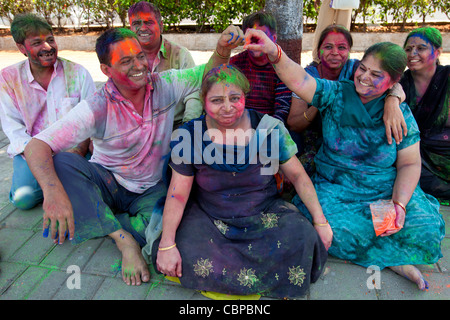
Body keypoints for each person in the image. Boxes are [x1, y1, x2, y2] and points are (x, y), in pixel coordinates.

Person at [23, 25, 245, 286]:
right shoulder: (97, 107)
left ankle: (97, 218)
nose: (139, 65)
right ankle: (122, 239)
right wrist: (53, 194)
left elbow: (208, 75)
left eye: (140, 56)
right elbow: (36, 146)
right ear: (106, 70)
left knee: (165, 230)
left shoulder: (165, 85)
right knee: (63, 163)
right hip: (107, 181)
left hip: (151, 189)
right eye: (126, 61)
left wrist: (222, 49)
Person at [244, 29, 445, 291]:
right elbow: (301, 81)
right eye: (363, 68)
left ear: (394, 82)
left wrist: (399, 204)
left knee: (424, 227)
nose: (364, 78)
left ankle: (388, 252)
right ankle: (396, 260)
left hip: (382, 189)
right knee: (330, 224)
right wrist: (274, 52)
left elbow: (409, 164)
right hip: (337, 190)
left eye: (376, 75)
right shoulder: (336, 93)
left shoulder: (400, 113)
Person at [148, 64, 331, 299]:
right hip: (210, 216)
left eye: (235, 98)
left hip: (263, 214)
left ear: (245, 96)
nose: (227, 108)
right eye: (216, 100)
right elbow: (178, 193)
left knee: (303, 237)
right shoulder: (190, 136)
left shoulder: (269, 129)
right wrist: (167, 243)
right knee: (183, 247)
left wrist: (320, 221)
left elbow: (298, 176)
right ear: (204, 101)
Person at [0, 13, 96, 210]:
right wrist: (43, 156)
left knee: (99, 189)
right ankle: (53, 185)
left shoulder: (77, 73)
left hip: (75, 150)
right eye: (37, 43)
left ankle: (58, 184)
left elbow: (93, 119)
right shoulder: (8, 79)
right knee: (23, 199)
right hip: (33, 152)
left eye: (50, 40)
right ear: (21, 48)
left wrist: (78, 150)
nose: (48, 47)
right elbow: (14, 129)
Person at [289, 24, 406, 176]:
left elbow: (395, 84)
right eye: (328, 47)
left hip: (352, 141)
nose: (335, 52)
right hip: (317, 140)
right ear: (318, 51)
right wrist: (322, 101)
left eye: (342, 47)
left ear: (349, 51)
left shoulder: (357, 70)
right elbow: (294, 124)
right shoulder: (307, 77)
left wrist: (393, 101)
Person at [128, 1, 202, 127]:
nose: (143, 28)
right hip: (137, 129)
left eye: (148, 22)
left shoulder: (180, 55)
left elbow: (194, 95)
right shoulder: (125, 58)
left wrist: (187, 126)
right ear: (130, 28)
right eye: (136, 23)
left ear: (161, 26)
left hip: (174, 126)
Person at [400, 27, 450, 201]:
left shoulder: (447, 78)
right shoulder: (400, 83)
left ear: (437, 52)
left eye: (421, 48)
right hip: (419, 159)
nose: (413, 53)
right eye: (408, 49)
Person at [229, 11, 292, 125]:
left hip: (272, 127)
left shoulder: (281, 66)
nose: (255, 40)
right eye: (251, 35)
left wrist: (265, 133)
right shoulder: (235, 64)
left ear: (273, 38)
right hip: (239, 125)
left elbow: (282, 110)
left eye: (261, 35)